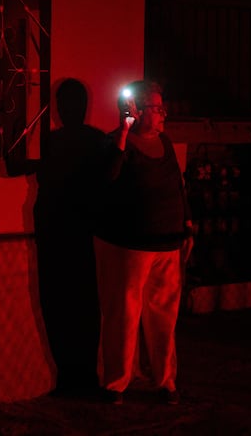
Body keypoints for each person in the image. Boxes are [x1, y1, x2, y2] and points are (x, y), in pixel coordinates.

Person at [92, 80, 193, 405]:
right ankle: (116, 383)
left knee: (164, 315)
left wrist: (186, 223)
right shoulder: (115, 142)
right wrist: (123, 131)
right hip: (131, 245)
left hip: (167, 243)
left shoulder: (164, 141)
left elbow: (177, 184)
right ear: (136, 109)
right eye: (156, 108)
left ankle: (164, 381)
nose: (163, 114)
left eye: (163, 107)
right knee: (124, 313)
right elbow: (106, 177)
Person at [32, 78, 109, 398]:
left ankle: (74, 377)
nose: (66, 110)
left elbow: (14, 164)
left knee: (65, 306)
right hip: (74, 232)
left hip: (61, 232)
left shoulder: (52, 142)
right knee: (79, 307)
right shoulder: (91, 140)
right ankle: (79, 377)